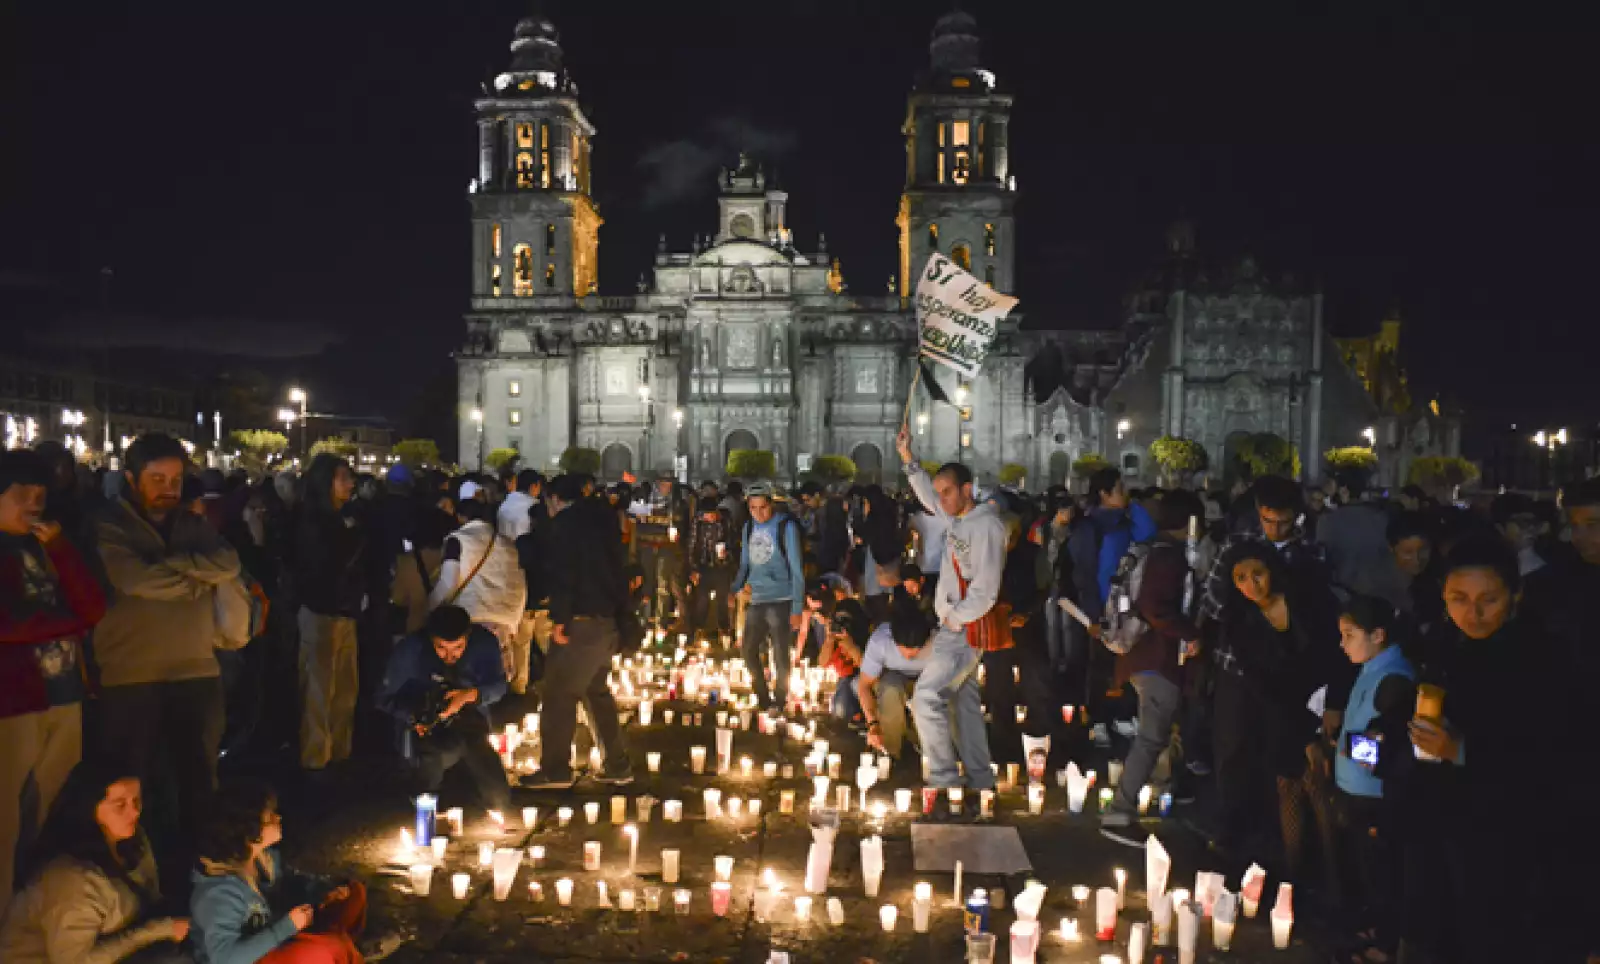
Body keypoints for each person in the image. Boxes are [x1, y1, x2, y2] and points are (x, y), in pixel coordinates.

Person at [93, 434, 240, 876]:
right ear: (131, 478)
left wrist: (170, 566)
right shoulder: (107, 525)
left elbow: (229, 563)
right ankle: (137, 878)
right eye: (157, 478)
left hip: (195, 668)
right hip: (129, 674)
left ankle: (201, 872)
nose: (168, 488)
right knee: (133, 783)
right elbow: (134, 579)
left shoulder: (191, 525)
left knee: (199, 777)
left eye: (176, 478)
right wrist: (196, 577)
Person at [0, 451, 108, 905]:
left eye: (41, 494)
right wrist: (70, 622)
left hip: (65, 695)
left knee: (46, 808)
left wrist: (61, 549)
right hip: (13, 701)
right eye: (21, 493)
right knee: (5, 816)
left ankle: (28, 904)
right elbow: (9, 625)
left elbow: (94, 605)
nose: (34, 502)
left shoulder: (49, 545)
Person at [1209, 540, 1338, 866]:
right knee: (1289, 788)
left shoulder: (1306, 602)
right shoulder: (1239, 621)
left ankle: (1335, 872)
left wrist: (1327, 710)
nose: (1251, 585)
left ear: (1273, 571)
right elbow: (1262, 684)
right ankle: (1294, 870)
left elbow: (1332, 654)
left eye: (1258, 574)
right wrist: (1302, 734)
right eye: (1240, 578)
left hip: (1322, 703)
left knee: (1322, 790)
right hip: (1282, 712)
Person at [0, 762, 190, 964]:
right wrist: (158, 930)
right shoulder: (70, 879)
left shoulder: (133, 842)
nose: (134, 812)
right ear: (89, 808)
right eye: (120, 805)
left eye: (137, 800)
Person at [896, 428, 998, 801]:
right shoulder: (958, 518)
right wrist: (909, 460)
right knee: (964, 703)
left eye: (948, 491)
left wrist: (955, 618)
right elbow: (927, 498)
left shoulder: (985, 526)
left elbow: (987, 589)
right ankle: (980, 779)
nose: (941, 500)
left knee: (925, 697)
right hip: (957, 626)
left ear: (967, 489)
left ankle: (943, 781)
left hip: (964, 629)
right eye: (940, 493)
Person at [1099, 490, 1204, 847]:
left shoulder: (1148, 549)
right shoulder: (1169, 558)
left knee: (1159, 732)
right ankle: (1120, 811)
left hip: (1143, 656)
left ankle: (1161, 790)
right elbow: (1155, 607)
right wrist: (1190, 633)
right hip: (1156, 658)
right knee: (1151, 736)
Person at [1320, 594, 1414, 963]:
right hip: (1357, 790)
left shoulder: (1395, 679)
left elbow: (1393, 744)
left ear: (1378, 635)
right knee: (1368, 870)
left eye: (1349, 635)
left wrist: (1347, 747)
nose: (1342, 644)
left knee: (1383, 873)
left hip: (1374, 796)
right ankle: (1375, 929)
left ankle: (1386, 945)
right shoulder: (1374, 667)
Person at [524, 475, 632, 790]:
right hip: (607, 619)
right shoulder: (603, 521)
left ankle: (556, 769)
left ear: (554, 499)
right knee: (595, 690)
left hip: (580, 621)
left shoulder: (566, 526)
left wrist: (560, 619)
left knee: (558, 693)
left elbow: (565, 575)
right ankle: (617, 763)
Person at [190, 780, 364, 964]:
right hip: (252, 957)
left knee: (354, 892)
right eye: (270, 817)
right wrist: (286, 928)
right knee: (329, 950)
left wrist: (325, 890)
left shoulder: (262, 859)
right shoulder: (219, 894)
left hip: (275, 935)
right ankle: (338, 948)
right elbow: (225, 959)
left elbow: (293, 881)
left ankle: (338, 946)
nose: (278, 818)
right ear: (249, 831)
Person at [376, 605, 511, 811]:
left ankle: (485, 798)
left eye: (458, 647)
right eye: (441, 648)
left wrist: (470, 696)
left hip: (471, 722)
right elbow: (384, 697)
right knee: (429, 766)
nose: (450, 656)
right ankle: (423, 800)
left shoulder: (484, 644)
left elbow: (499, 686)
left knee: (498, 795)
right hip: (429, 730)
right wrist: (415, 716)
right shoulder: (410, 650)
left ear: (468, 636)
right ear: (431, 640)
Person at [290, 454, 368, 774]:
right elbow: (327, 565)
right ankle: (315, 758)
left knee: (346, 687)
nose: (350, 484)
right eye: (343, 478)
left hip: (345, 611)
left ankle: (339, 750)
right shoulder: (313, 521)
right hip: (320, 611)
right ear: (325, 482)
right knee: (319, 689)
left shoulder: (342, 518)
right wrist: (352, 533)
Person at [428, 499, 526, 692]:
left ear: (460, 517)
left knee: (462, 686)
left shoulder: (458, 539)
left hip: (467, 623)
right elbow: (520, 585)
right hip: (503, 626)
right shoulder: (508, 544)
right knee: (491, 687)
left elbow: (448, 581)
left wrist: (430, 611)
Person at [729, 482, 805, 711]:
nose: (758, 514)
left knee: (781, 654)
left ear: (771, 505)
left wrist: (797, 608)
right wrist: (736, 587)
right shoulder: (748, 528)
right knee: (748, 650)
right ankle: (763, 697)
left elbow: (797, 569)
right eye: (753, 508)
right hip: (757, 599)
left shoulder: (786, 528)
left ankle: (779, 700)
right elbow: (745, 563)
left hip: (781, 599)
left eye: (762, 508)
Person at [859, 587, 933, 763]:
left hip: (927, 680)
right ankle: (888, 753)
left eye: (916, 650)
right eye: (904, 650)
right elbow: (864, 686)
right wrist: (873, 724)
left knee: (929, 695)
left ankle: (933, 750)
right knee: (891, 687)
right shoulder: (881, 641)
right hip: (892, 680)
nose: (910, 656)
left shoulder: (938, 642)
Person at [496, 470, 541, 542]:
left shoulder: (504, 503)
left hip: (502, 549)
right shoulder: (535, 505)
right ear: (533, 486)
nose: (539, 491)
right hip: (523, 550)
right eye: (539, 487)